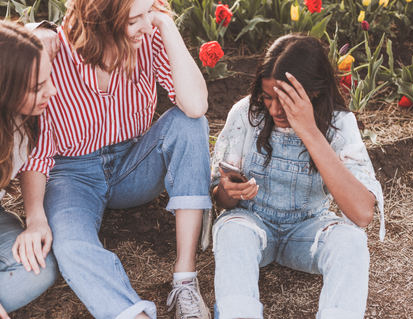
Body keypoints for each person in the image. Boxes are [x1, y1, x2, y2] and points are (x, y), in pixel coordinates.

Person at [23, 0, 212, 318]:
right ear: (99, 20)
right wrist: (35, 219)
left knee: (191, 123)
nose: (147, 25)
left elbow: (195, 106)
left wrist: (166, 25)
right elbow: (37, 149)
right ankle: (131, 313)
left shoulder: (148, 37)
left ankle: (185, 280)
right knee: (70, 245)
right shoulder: (53, 51)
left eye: (149, 13)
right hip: (72, 175)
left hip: (133, 163)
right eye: (135, 19)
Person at [210, 34, 385, 319]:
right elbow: (222, 200)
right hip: (252, 223)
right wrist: (229, 191)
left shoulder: (338, 125)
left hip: (308, 228)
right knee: (232, 231)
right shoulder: (246, 114)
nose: (275, 109)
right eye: (268, 97)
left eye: (285, 100)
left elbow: (362, 214)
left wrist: (309, 130)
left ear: (313, 93)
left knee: (351, 242)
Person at [0, 21, 59, 319]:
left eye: (49, 78)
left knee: (39, 267)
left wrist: (43, 29)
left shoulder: (23, 122)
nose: (53, 90)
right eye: (37, 87)